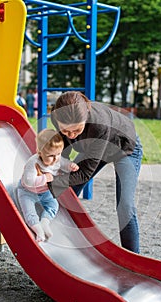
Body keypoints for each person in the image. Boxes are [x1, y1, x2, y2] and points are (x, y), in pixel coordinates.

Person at [49, 91, 143, 253]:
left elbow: (85, 174)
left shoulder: (100, 125)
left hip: (125, 148)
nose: (71, 135)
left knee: (125, 206)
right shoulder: (57, 116)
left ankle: (134, 256)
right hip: (93, 146)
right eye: (66, 130)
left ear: (86, 119)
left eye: (77, 130)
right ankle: (59, 236)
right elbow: (62, 146)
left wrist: (52, 182)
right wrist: (54, 167)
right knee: (66, 190)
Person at [17, 129, 79, 242]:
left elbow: (64, 163)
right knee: (29, 212)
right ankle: (38, 230)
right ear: (40, 152)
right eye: (51, 155)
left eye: (58, 154)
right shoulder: (33, 162)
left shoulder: (57, 159)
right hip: (27, 191)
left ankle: (45, 222)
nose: (55, 159)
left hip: (45, 192)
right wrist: (45, 178)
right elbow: (28, 181)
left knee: (53, 205)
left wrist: (71, 166)